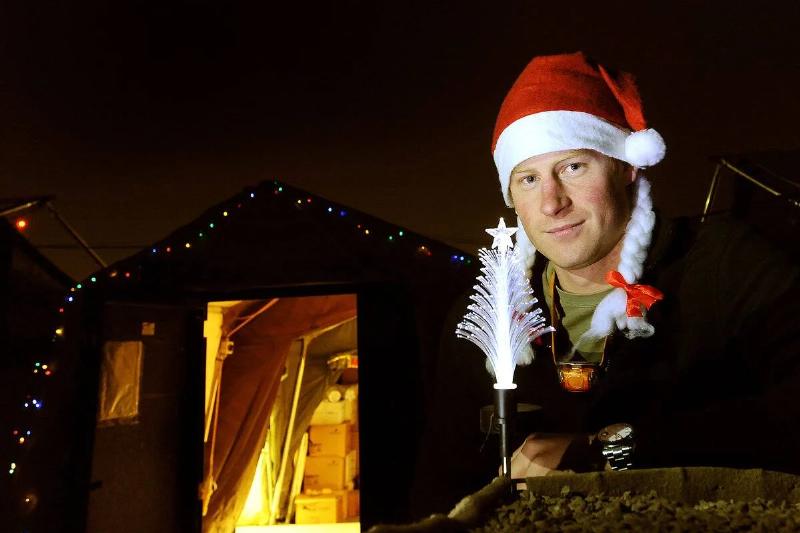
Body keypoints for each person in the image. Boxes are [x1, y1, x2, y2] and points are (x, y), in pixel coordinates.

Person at [410, 51, 800, 517]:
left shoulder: (726, 267)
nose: (551, 203)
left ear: (628, 166)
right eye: (529, 178)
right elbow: (439, 487)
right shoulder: (486, 317)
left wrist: (609, 448)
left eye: (573, 167)